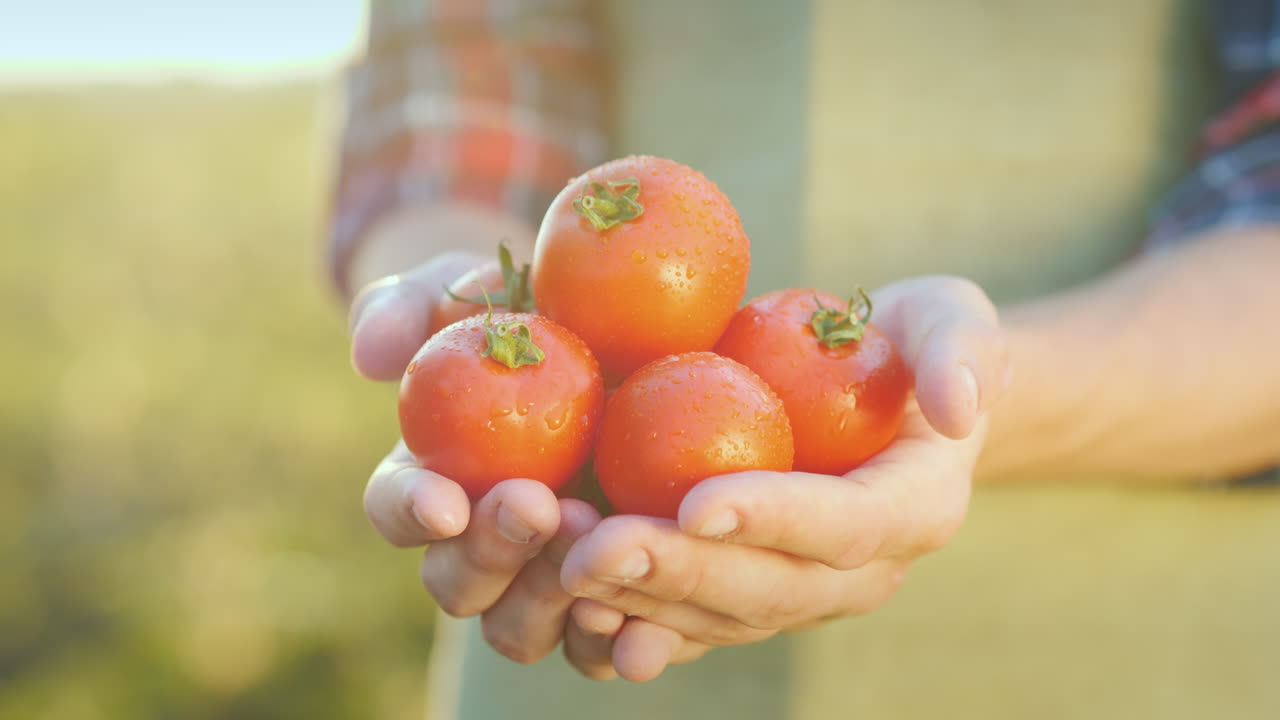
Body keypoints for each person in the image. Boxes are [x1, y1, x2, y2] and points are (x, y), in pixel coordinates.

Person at [332, 1, 1280, 717]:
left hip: (1122, 637)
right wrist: (456, 304)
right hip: (573, 590)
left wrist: (971, 391)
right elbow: (452, 122)